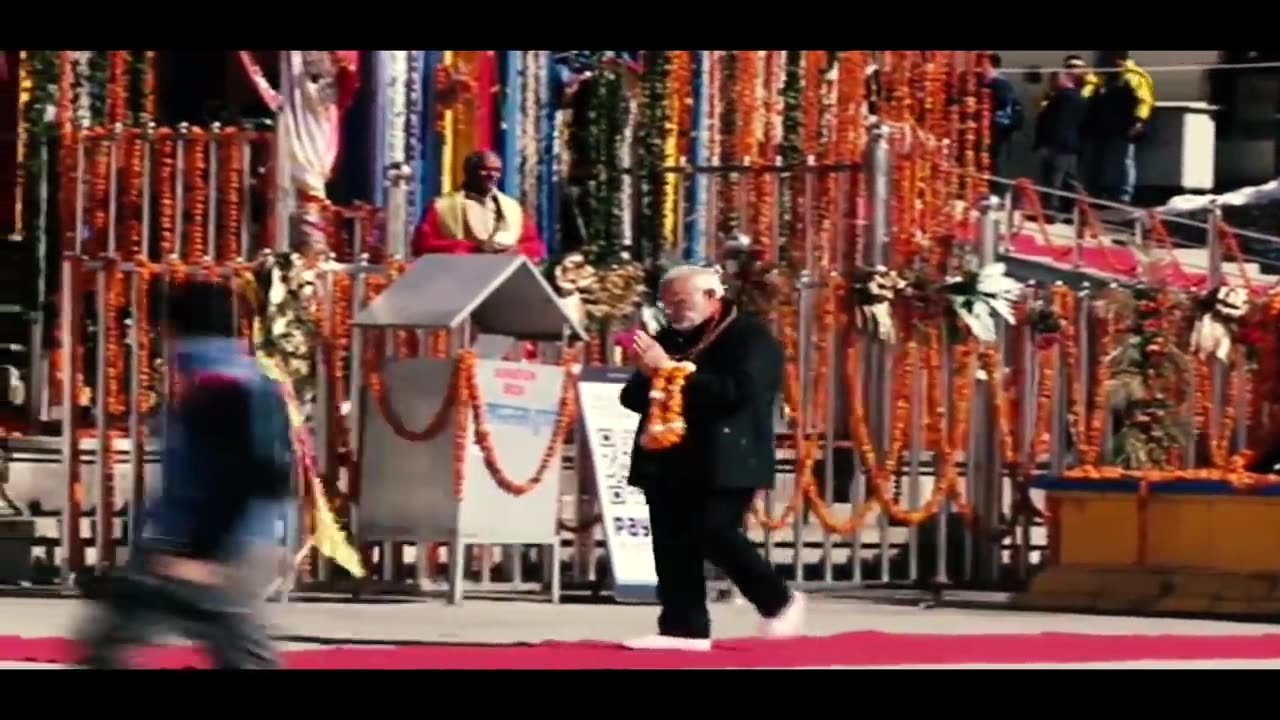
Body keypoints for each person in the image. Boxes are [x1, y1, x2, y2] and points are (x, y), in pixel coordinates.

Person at [75, 280, 294, 669]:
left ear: (173, 329)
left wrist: (202, 556)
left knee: (119, 641)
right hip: (224, 542)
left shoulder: (218, 388)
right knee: (232, 648)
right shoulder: (245, 380)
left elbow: (246, 475)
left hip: (217, 547)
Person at [619, 265, 802, 652]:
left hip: (725, 458)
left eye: (680, 301)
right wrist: (651, 374)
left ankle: (777, 599)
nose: (672, 311)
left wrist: (667, 371)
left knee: (714, 531)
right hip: (668, 456)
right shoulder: (667, 337)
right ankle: (683, 628)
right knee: (671, 542)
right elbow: (632, 397)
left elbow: (738, 393)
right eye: (666, 303)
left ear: (712, 297)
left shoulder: (751, 338)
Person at [411, 149, 546, 261]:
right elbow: (422, 246)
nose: (492, 175)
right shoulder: (440, 207)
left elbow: (534, 246)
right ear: (468, 171)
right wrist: (472, 249)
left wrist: (513, 251)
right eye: (484, 169)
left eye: (496, 170)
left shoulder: (513, 208)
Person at [1085, 51, 1155, 204]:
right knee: (1096, 159)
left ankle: (1124, 195)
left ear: (1119, 59)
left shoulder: (1135, 75)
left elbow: (1144, 101)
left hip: (1126, 125)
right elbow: (1087, 95)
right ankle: (1094, 191)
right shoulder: (1102, 76)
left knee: (1125, 159)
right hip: (1102, 125)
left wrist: (1139, 121)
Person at [1033, 71, 1088, 218]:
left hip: (1056, 145)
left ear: (1058, 81)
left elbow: (1052, 123)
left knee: (1053, 180)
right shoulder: (1081, 98)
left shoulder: (1059, 99)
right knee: (1071, 180)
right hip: (1072, 144)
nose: (1050, 86)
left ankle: (1050, 212)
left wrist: (1043, 144)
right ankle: (1078, 209)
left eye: (1052, 82)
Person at [982, 53, 1022, 199]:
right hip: (1000, 127)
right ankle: (996, 192)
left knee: (996, 160)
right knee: (995, 160)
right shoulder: (1001, 82)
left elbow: (1003, 103)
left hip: (999, 127)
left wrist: (988, 109)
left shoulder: (998, 83)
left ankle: (998, 193)